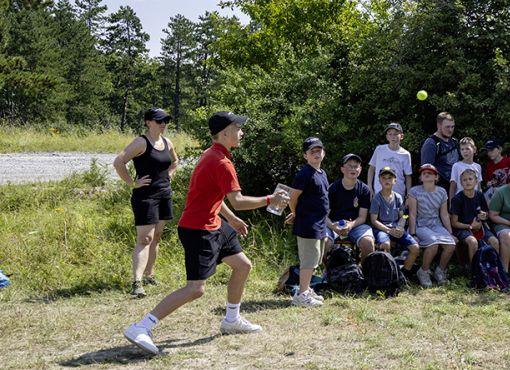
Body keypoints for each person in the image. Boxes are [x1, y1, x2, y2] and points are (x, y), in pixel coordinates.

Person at [123, 112, 285, 355]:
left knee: (242, 266)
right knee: (195, 289)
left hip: (215, 224)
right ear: (225, 133)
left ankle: (231, 319)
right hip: (198, 229)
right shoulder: (221, 162)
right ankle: (141, 327)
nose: (241, 133)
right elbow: (238, 201)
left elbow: (213, 197)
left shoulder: (212, 155)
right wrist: (270, 199)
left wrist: (231, 219)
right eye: (237, 128)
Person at [113, 107, 179, 297]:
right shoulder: (141, 142)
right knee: (145, 239)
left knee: (156, 236)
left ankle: (149, 274)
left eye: (165, 121)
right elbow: (119, 162)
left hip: (164, 195)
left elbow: (175, 161)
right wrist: (132, 183)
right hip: (145, 197)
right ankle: (137, 282)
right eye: (159, 121)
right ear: (148, 122)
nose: (163, 124)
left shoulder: (167, 142)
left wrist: (169, 175)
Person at [284, 136, 329, 308]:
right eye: (312, 151)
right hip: (308, 224)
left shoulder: (321, 173)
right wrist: (296, 213)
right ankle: (301, 295)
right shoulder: (304, 174)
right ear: (305, 155)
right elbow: (292, 197)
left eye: (319, 150)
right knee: (308, 260)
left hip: (320, 223)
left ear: (323, 153)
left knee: (315, 259)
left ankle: (306, 289)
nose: (317, 154)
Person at [408, 164, 455, 287]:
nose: (427, 174)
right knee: (433, 243)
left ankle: (440, 271)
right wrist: (413, 233)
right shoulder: (414, 191)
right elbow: (412, 214)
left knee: (451, 245)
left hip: (436, 225)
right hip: (420, 225)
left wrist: (450, 233)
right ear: (420, 178)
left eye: (430, 172)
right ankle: (423, 271)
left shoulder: (442, 192)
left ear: (436, 177)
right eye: (424, 173)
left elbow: (444, 214)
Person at [369, 165, 420, 273]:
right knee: (385, 245)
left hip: (396, 228)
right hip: (382, 229)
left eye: (390, 178)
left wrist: (400, 228)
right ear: (379, 180)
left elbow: (403, 216)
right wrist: (388, 230)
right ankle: (388, 273)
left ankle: (404, 273)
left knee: (415, 247)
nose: (386, 180)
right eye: (383, 178)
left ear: (395, 181)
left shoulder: (398, 197)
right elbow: (374, 221)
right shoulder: (376, 199)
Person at [328, 153, 376, 258]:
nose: (353, 169)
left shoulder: (364, 189)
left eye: (356, 166)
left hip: (356, 225)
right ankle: (328, 268)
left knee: (368, 243)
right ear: (342, 169)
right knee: (325, 242)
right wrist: (333, 226)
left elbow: (362, 217)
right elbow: (324, 215)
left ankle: (363, 268)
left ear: (360, 169)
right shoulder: (333, 188)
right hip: (334, 224)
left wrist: (350, 225)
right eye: (349, 166)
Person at [450, 167, 500, 263]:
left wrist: (483, 216)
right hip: (463, 228)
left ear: (476, 181)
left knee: (495, 242)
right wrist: (470, 226)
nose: (467, 182)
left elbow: (486, 214)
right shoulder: (457, 199)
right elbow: (454, 222)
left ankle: (494, 268)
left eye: (470, 179)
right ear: (461, 183)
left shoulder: (479, 195)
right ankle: (475, 269)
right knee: (473, 242)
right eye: (464, 180)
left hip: (480, 226)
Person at [366, 122, 412, 197]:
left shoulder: (406, 154)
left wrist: (409, 194)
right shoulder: (379, 149)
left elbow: (408, 176)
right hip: (379, 193)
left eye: (395, 134)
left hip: (398, 194)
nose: (393, 137)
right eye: (390, 134)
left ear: (402, 136)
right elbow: (371, 169)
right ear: (387, 137)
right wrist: (369, 187)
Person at [420, 112, 459, 189]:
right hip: (439, 188)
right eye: (447, 127)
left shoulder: (454, 142)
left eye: (452, 127)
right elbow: (426, 170)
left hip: (455, 186)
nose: (450, 130)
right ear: (439, 126)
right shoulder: (431, 143)